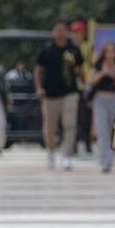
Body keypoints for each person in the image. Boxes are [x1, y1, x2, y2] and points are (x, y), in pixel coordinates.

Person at [34, 22, 86, 171]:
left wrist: (85, 83)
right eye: (57, 30)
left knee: (70, 124)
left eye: (63, 30)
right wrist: (38, 88)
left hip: (70, 93)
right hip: (50, 95)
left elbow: (80, 68)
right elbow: (37, 70)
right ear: (53, 32)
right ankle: (50, 152)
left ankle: (68, 156)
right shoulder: (47, 49)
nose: (60, 33)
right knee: (49, 128)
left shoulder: (73, 49)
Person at [87, 44, 115, 172]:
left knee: (113, 132)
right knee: (102, 131)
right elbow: (90, 80)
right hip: (100, 100)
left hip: (114, 100)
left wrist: (114, 75)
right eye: (108, 51)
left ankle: (110, 158)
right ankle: (104, 161)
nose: (110, 54)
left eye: (112, 51)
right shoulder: (98, 65)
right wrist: (103, 73)